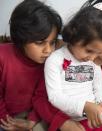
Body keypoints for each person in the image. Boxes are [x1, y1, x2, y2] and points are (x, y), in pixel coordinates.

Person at [44, 5, 102, 131]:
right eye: (89, 51)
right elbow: (55, 97)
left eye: (98, 53)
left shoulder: (94, 63)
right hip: (67, 119)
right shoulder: (54, 60)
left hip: (92, 115)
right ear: (74, 35)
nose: (92, 58)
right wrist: (85, 106)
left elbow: (98, 88)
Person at [0, 0, 62, 130]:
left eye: (52, 42)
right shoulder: (2, 55)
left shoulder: (51, 62)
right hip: (4, 116)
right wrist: (7, 121)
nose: (48, 50)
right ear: (21, 38)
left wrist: (32, 120)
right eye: (40, 42)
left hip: (35, 115)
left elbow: (45, 95)